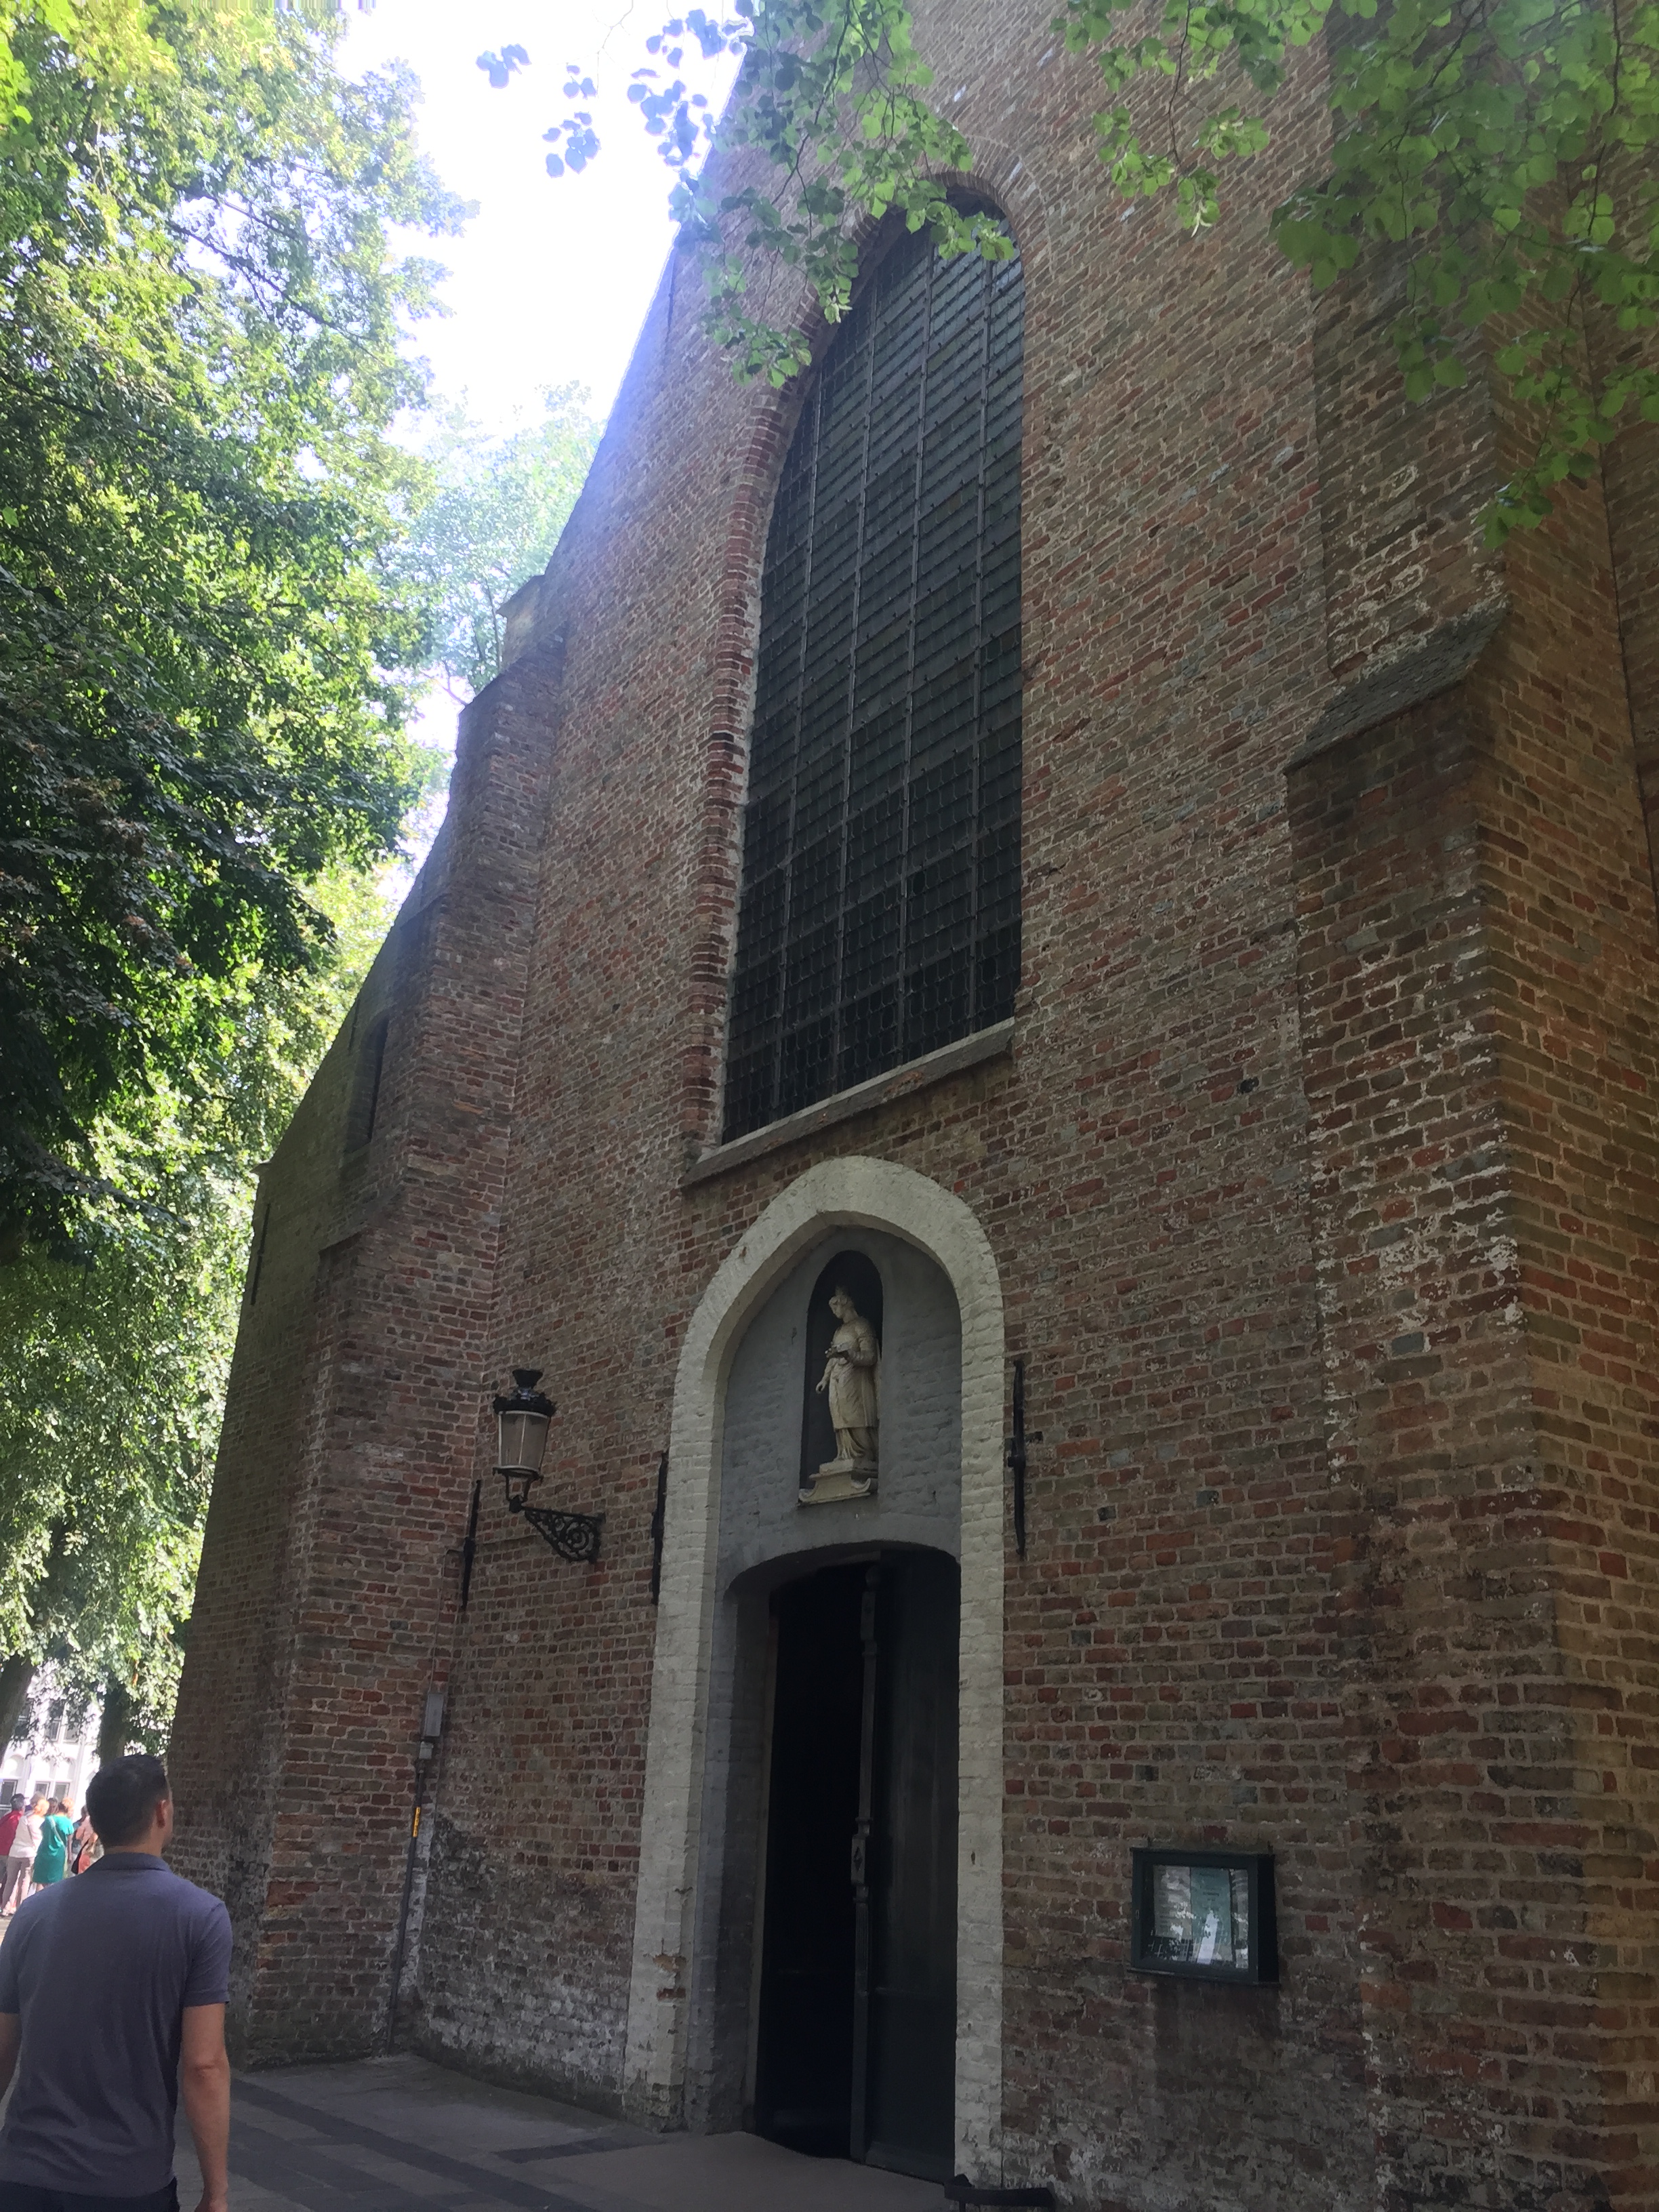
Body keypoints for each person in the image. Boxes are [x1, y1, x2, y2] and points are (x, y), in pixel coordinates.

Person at [0, 1753, 231, 2212]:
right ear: (162, 1811)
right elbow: (204, 2066)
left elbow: (2, 2047)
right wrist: (216, 2191)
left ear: (97, 1822)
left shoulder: (33, 1915)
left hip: (23, 2173)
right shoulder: (200, 1918)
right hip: (127, 2180)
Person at [1, 1802, 42, 1919]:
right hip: (29, 1853)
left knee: (10, 1881)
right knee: (24, 1881)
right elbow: (38, 1839)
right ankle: (19, 1908)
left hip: (14, 1851)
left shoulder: (21, 1818)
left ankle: (4, 1908)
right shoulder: (38, 1821)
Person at [28, 1805, 71, 1892]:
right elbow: (69, 1840)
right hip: (58, 1854)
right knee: (55, 1880)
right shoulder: (68, 1822)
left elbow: (42, 1832)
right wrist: (69, 1855)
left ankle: (39, 1900)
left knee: (41, 1881)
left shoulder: (48, 1819)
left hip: (44, 1851)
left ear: (57, 1808)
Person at [66, 1807, 98, 1878]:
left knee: (81, 1878)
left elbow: (78, 1836)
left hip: (87, 1852)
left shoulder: (88, 1820)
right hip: (101, 1855)